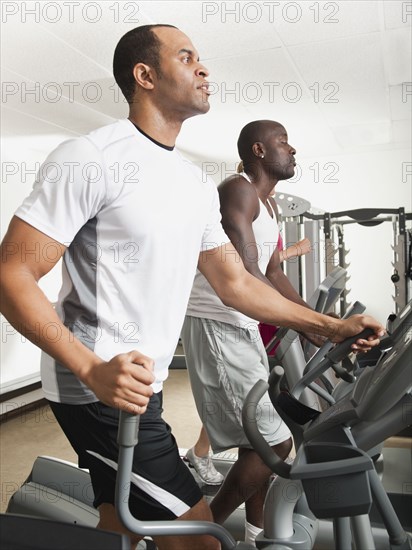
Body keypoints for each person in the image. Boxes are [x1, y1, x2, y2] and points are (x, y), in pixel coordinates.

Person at [0, 24, 384, 550]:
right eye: (187, 58)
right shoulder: (89, 158)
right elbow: (12, 274)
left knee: (125, 522)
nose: (204, 68)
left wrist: (332, 326)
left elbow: (234, 284)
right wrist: (89, 367)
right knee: (196, 539)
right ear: (145, 75)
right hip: (98, 387)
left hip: (144, 384)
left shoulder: (193, 185)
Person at [180, 119, 354, 545]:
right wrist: (319, 324)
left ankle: (256, 534)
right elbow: (247, 271)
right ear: (258, 151)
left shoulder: (272, 207)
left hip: (241, 327)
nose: (292, 150)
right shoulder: (236, 190)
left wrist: (313, 323)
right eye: (283, 142)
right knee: (275, 445)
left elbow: (275, 272)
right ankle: (203, 534)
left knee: (255, 442)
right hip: (218, 323)